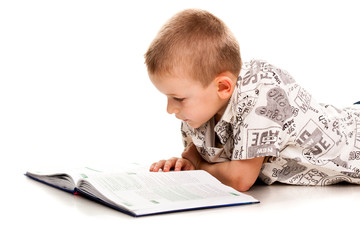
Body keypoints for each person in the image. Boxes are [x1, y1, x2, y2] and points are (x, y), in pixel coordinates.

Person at [144, 9, 360, 191]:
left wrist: (199, 167)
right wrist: (186, 163)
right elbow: (202, 153)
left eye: (178, 98)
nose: (170, 109)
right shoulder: (206, 105)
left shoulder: (261, 94)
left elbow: (240, 179)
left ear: (223, 87)